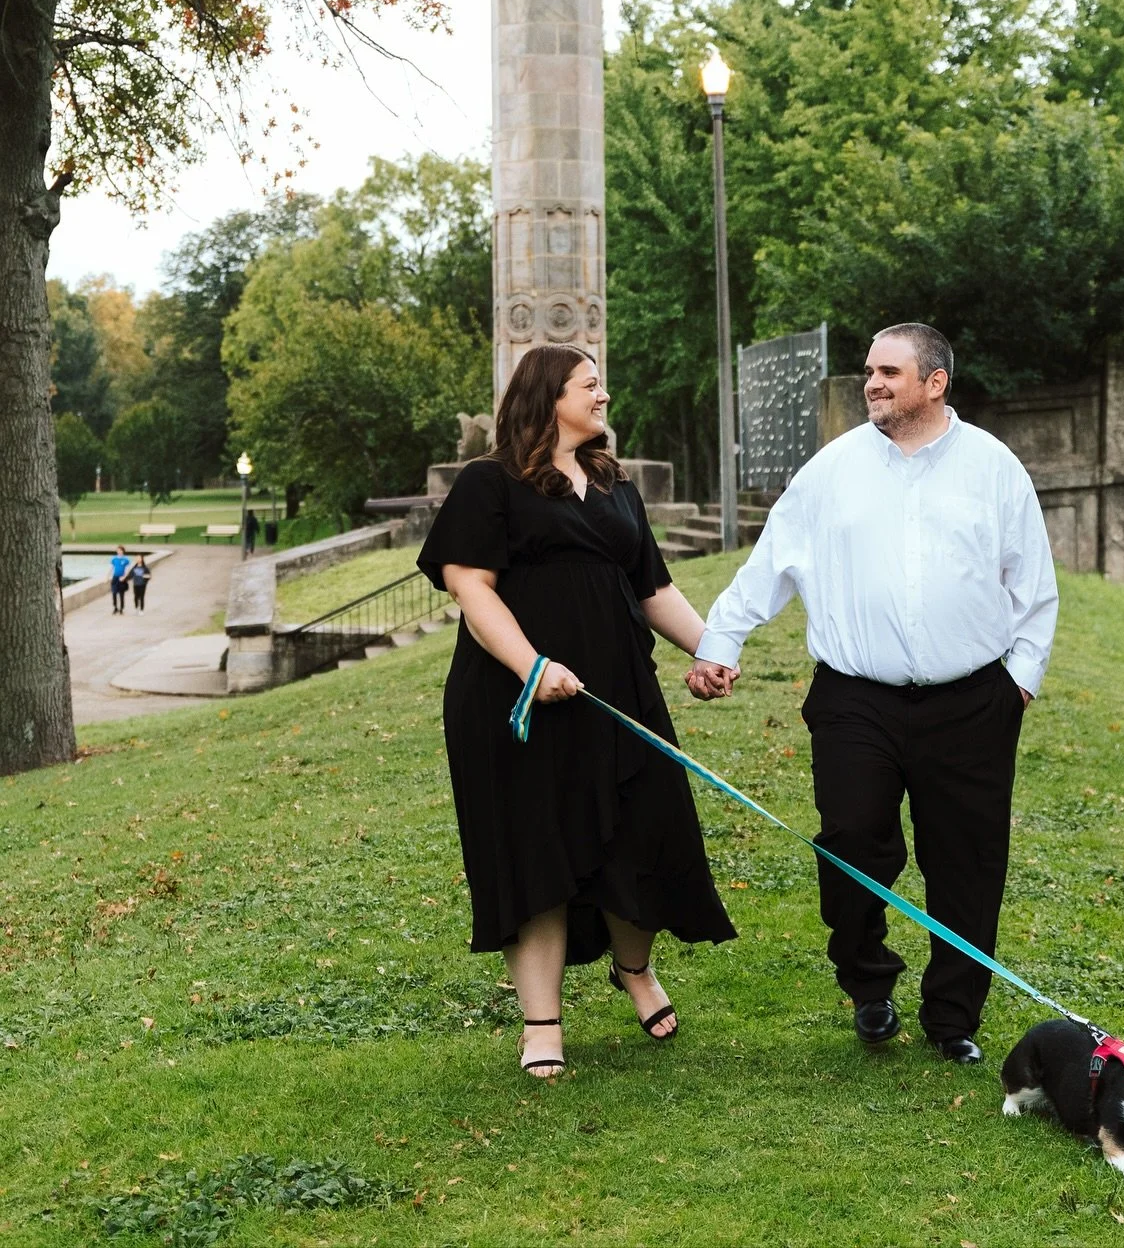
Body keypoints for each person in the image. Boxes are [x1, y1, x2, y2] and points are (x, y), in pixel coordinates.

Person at [687, 322, 1058, 1065]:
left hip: (972, 703)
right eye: (869, 372)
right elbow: (772, 563)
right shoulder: (832, 470)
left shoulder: (993, 467)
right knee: (853, 840)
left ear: (935, 382)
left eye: (890, 371)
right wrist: (719, 643)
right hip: (857, 700)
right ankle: (868, 984)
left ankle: (953, 1018)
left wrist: (1019, 683)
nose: (874, 383)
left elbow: (1034, 587)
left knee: (968, 863)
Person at [416, 344, 736, 1080]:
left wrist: (710, 650)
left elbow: (652, 588)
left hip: (619, 693)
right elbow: (473, 590)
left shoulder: (614, 483)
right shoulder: (488, 483)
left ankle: (634, 970)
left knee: (641, 837)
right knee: (536, 852)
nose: (605, 398)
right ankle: (541, 1023)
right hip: (515, 700)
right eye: (591, 386)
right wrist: (533, 667)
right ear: (547, 395)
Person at [108, 546, 133, 615]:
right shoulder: (114, 559)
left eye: (120, 550)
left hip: (122, 578)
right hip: (115, 578)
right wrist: (107, 576)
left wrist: (124, 577)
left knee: (121, 594)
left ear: (123, 551)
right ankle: (115, 607)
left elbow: (127, 570)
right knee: (114, 593)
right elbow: (111, 568)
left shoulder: (126, 560)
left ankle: (121, 608)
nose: (119, 552)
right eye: (118, 550)